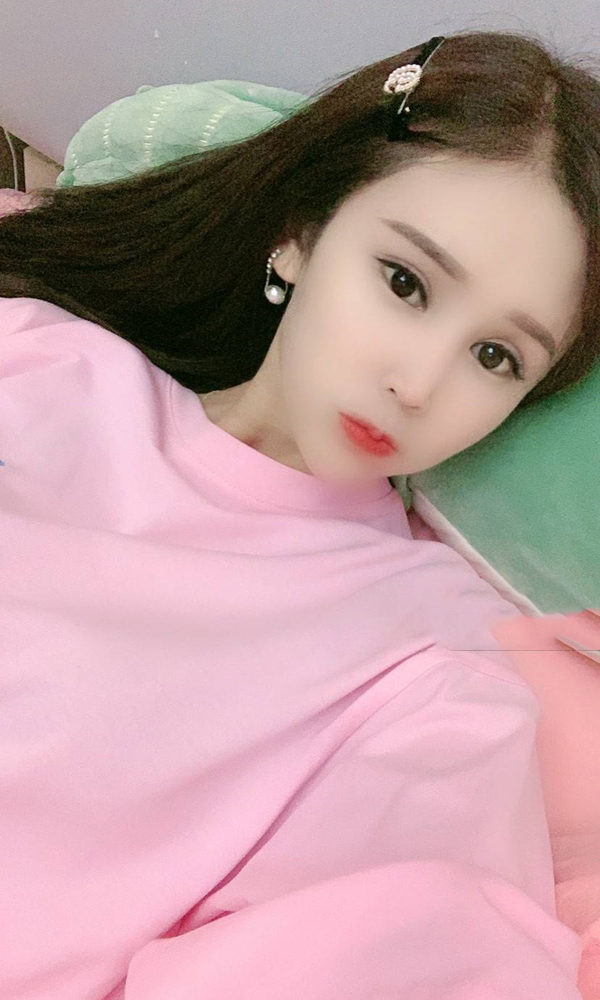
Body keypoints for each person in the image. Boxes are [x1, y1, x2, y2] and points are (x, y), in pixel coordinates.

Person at [0, 27, 598, 1000]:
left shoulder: (432, 671)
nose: (417, 383)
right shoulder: (38, 352)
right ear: (301, 231)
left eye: (496, 358)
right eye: (405, 283)